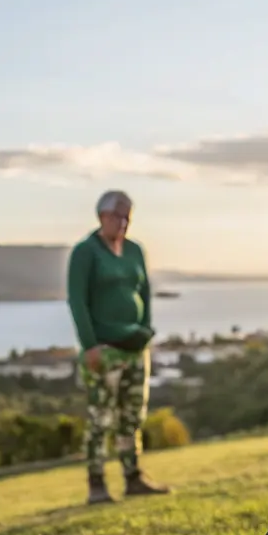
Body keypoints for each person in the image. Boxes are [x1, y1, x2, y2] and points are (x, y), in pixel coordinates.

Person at [67, 190, 171, 505]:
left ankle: (133, 477)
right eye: (118, 216)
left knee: (132, 416)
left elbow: (146, 292)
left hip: (135, 346)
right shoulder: (86, 252)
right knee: (102, 418)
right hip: (104, 348)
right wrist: (90, 346)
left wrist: (146, 331)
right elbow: (77, 301)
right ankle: (96, 484)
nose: (124, 223)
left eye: (128, 217)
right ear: (102, 217)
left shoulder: (135, 251)